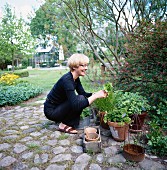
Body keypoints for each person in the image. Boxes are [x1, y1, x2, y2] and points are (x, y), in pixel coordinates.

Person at [44, 53, 108, 134]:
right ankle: (63, 125)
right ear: (74, 67)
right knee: (80, 99)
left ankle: (66, 121)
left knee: (81, 97)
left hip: (59, 106)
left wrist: (96, 94)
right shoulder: (67, 80)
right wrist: (95, 96)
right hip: (51, 111)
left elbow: (83, 93)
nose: (86, 68)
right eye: (83, 65)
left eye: (86, 65)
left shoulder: (75, 78)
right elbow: (76, 104)